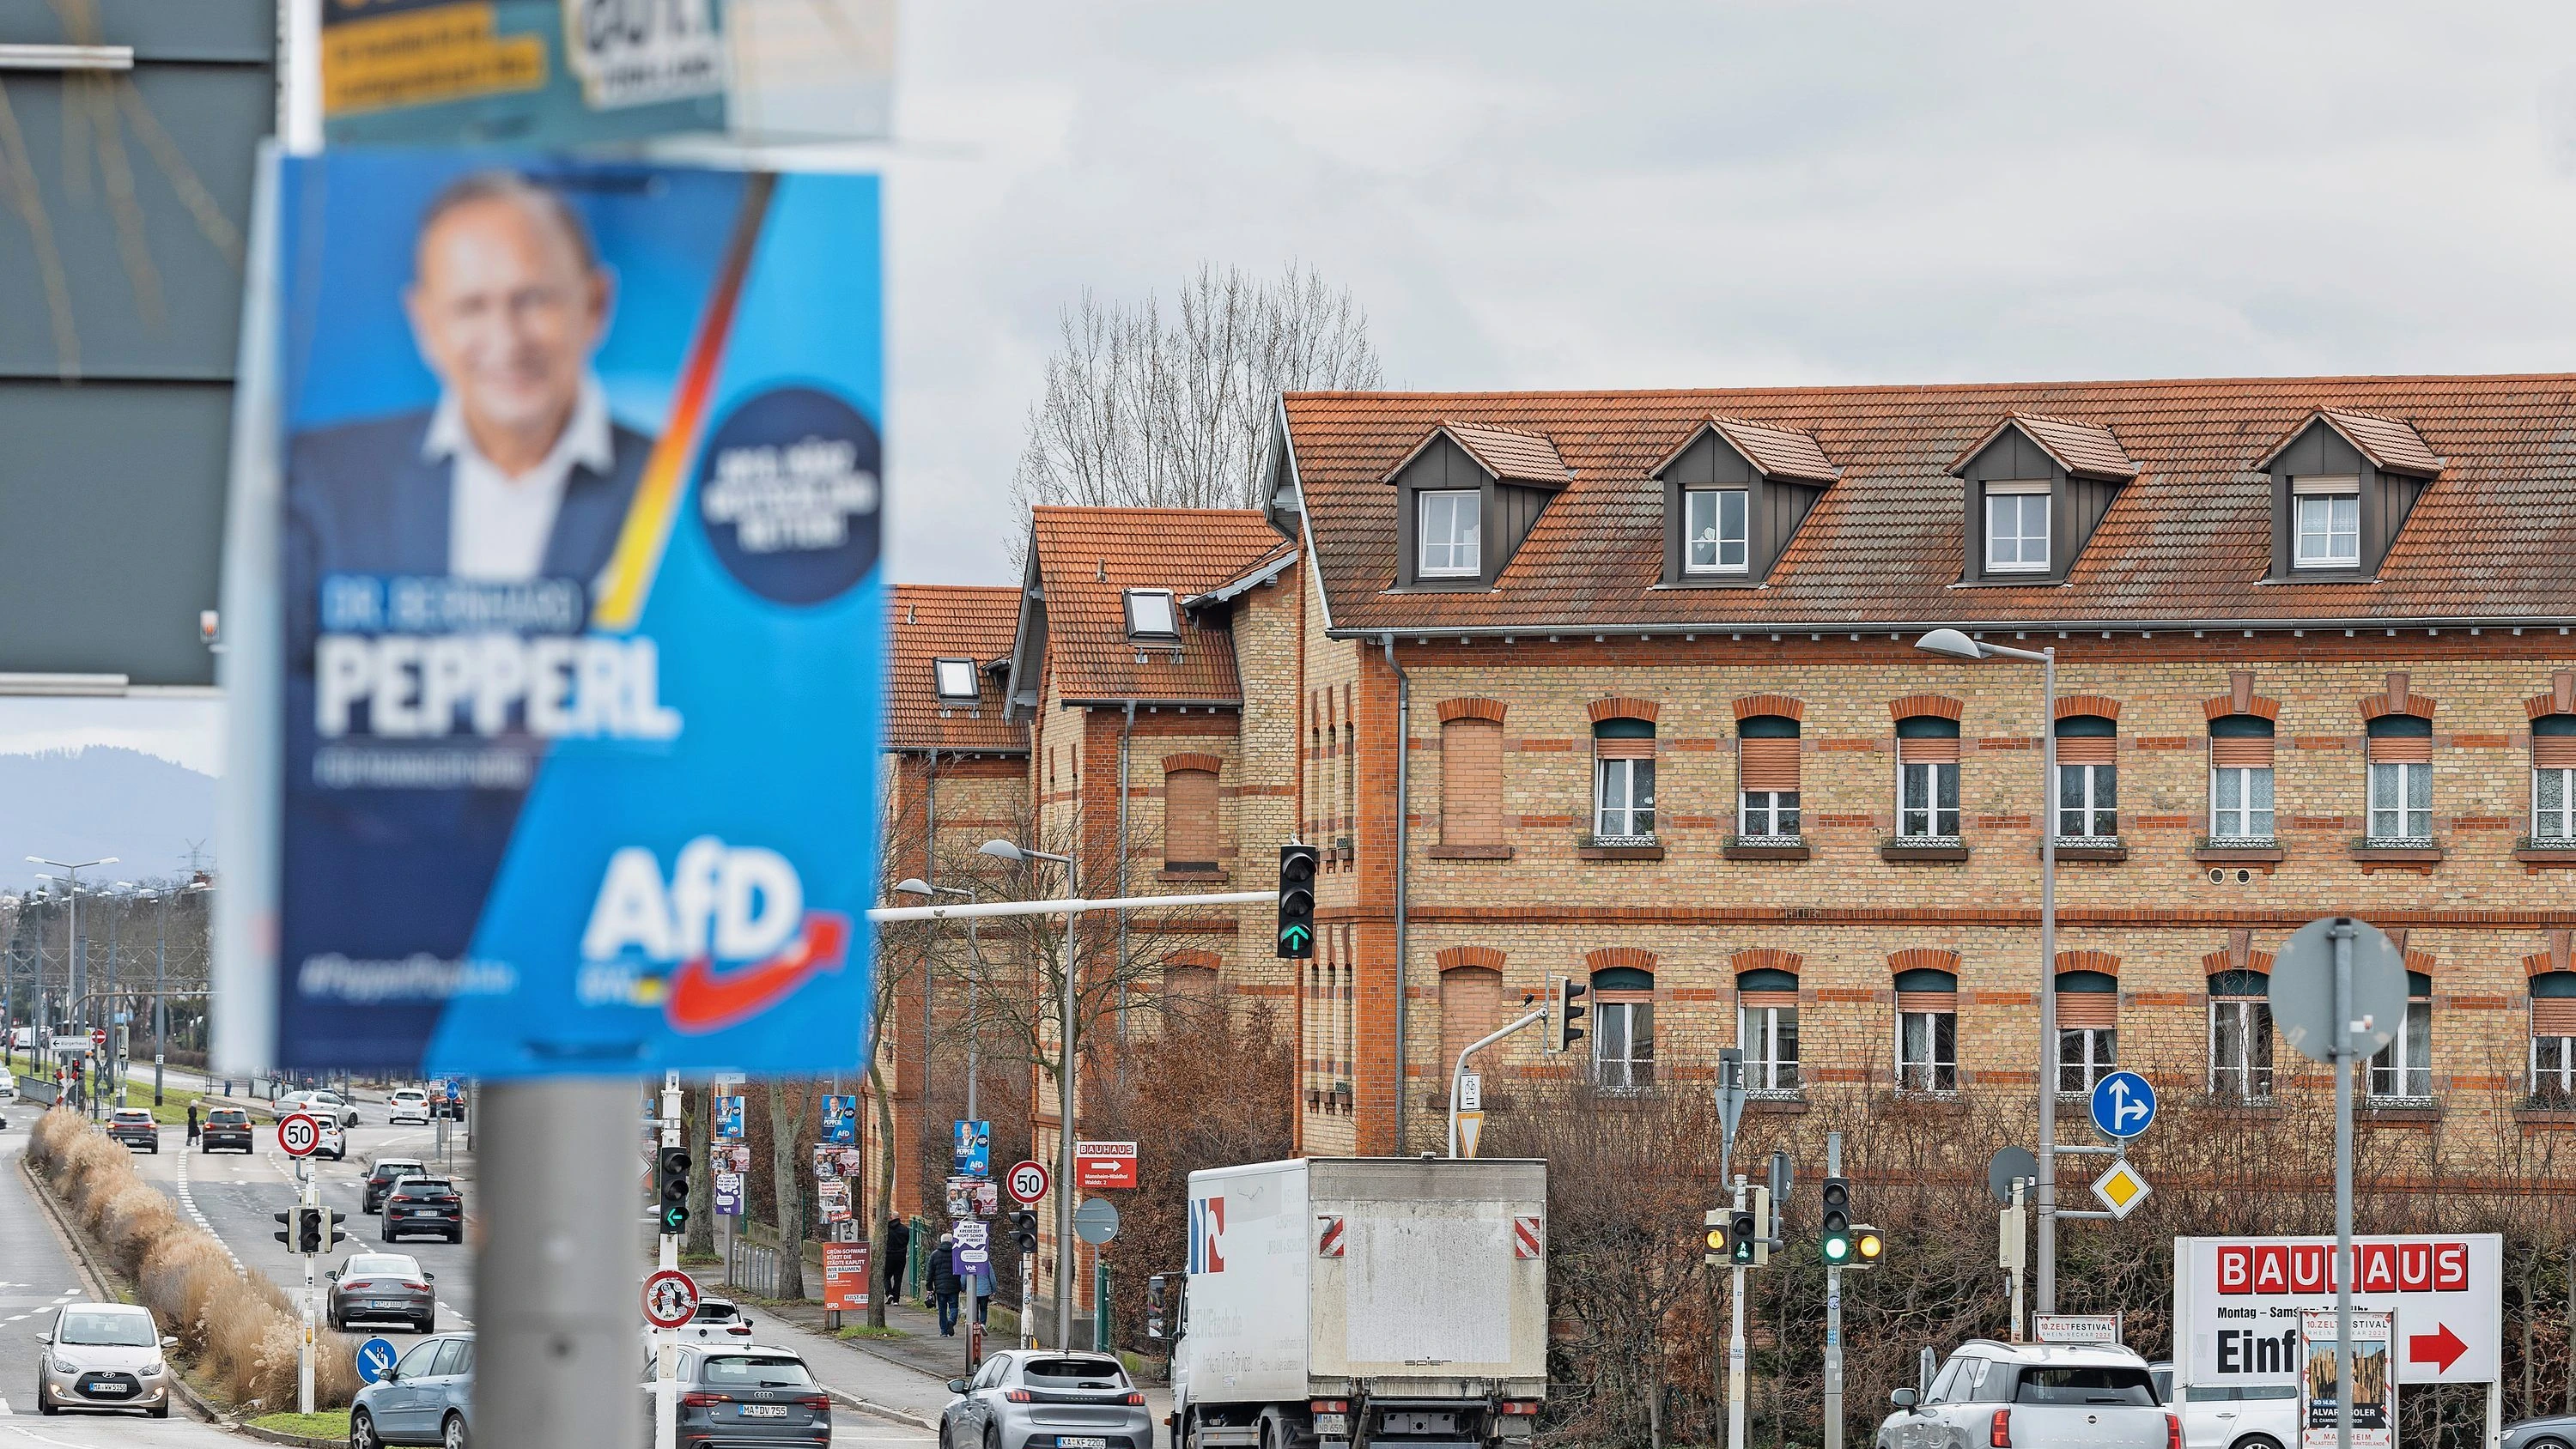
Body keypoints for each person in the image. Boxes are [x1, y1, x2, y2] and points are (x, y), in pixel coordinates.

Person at [286, 169, 654, 589]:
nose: (507, 340)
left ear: (595, 304)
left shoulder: (673, 489)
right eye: (471, 307)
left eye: (533, 299)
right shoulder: (323, 480)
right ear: (425, 324)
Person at [929, 1234, 961, 1337]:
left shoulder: (935, 1255)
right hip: (954, 1286)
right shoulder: (956, 1254)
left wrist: (929, 1288)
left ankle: (944, 1331)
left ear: (941, 1241)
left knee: (942, 1309)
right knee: (954, 1306)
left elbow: (930, 1273)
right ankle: (951, 1321)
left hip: (940, 1287)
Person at [882, 1215, 910, 1306]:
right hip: (901, 1256)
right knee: (898, 1278)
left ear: (891, 1217)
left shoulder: (887, 1229)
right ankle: (896, 1300)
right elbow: (907, 1241)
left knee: (886, 1276)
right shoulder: (905, 1229)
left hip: (889, 1255)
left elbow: (883, 1242)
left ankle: (889, 1293)